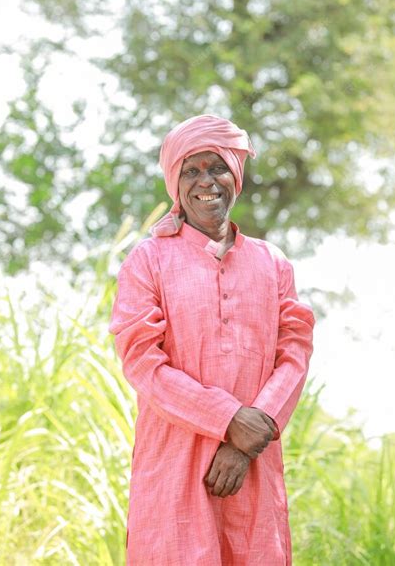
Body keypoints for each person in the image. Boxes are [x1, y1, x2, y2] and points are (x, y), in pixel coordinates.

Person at [109, 114, 316, 565]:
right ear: (175, 182)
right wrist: (228, 420)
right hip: (175, 463)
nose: (207, 181)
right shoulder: (148, 261)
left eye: (217, 167)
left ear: (235, 175)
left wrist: (246, 437)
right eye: (192, 170)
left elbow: (295, 353)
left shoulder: (272, 263)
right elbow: (143, 363)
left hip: (254, 464)